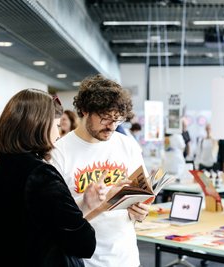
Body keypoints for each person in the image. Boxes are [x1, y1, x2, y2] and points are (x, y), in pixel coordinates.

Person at [0, 89, 96, 267]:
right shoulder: (41, 175)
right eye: (57, 126)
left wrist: (85, 205)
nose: (59, 134)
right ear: (38, 125)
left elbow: (36, 221)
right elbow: (84, 243)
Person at [50, 74, 149, 267]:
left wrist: (141, 212)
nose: (112, 126)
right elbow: (58, 221)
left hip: (126, 259)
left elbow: (141, 196)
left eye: (117, 120)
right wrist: (89, 203)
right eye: (105, 118)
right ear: (85, 110)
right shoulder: (59, 152)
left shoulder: (128, 146)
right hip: (85, 261)